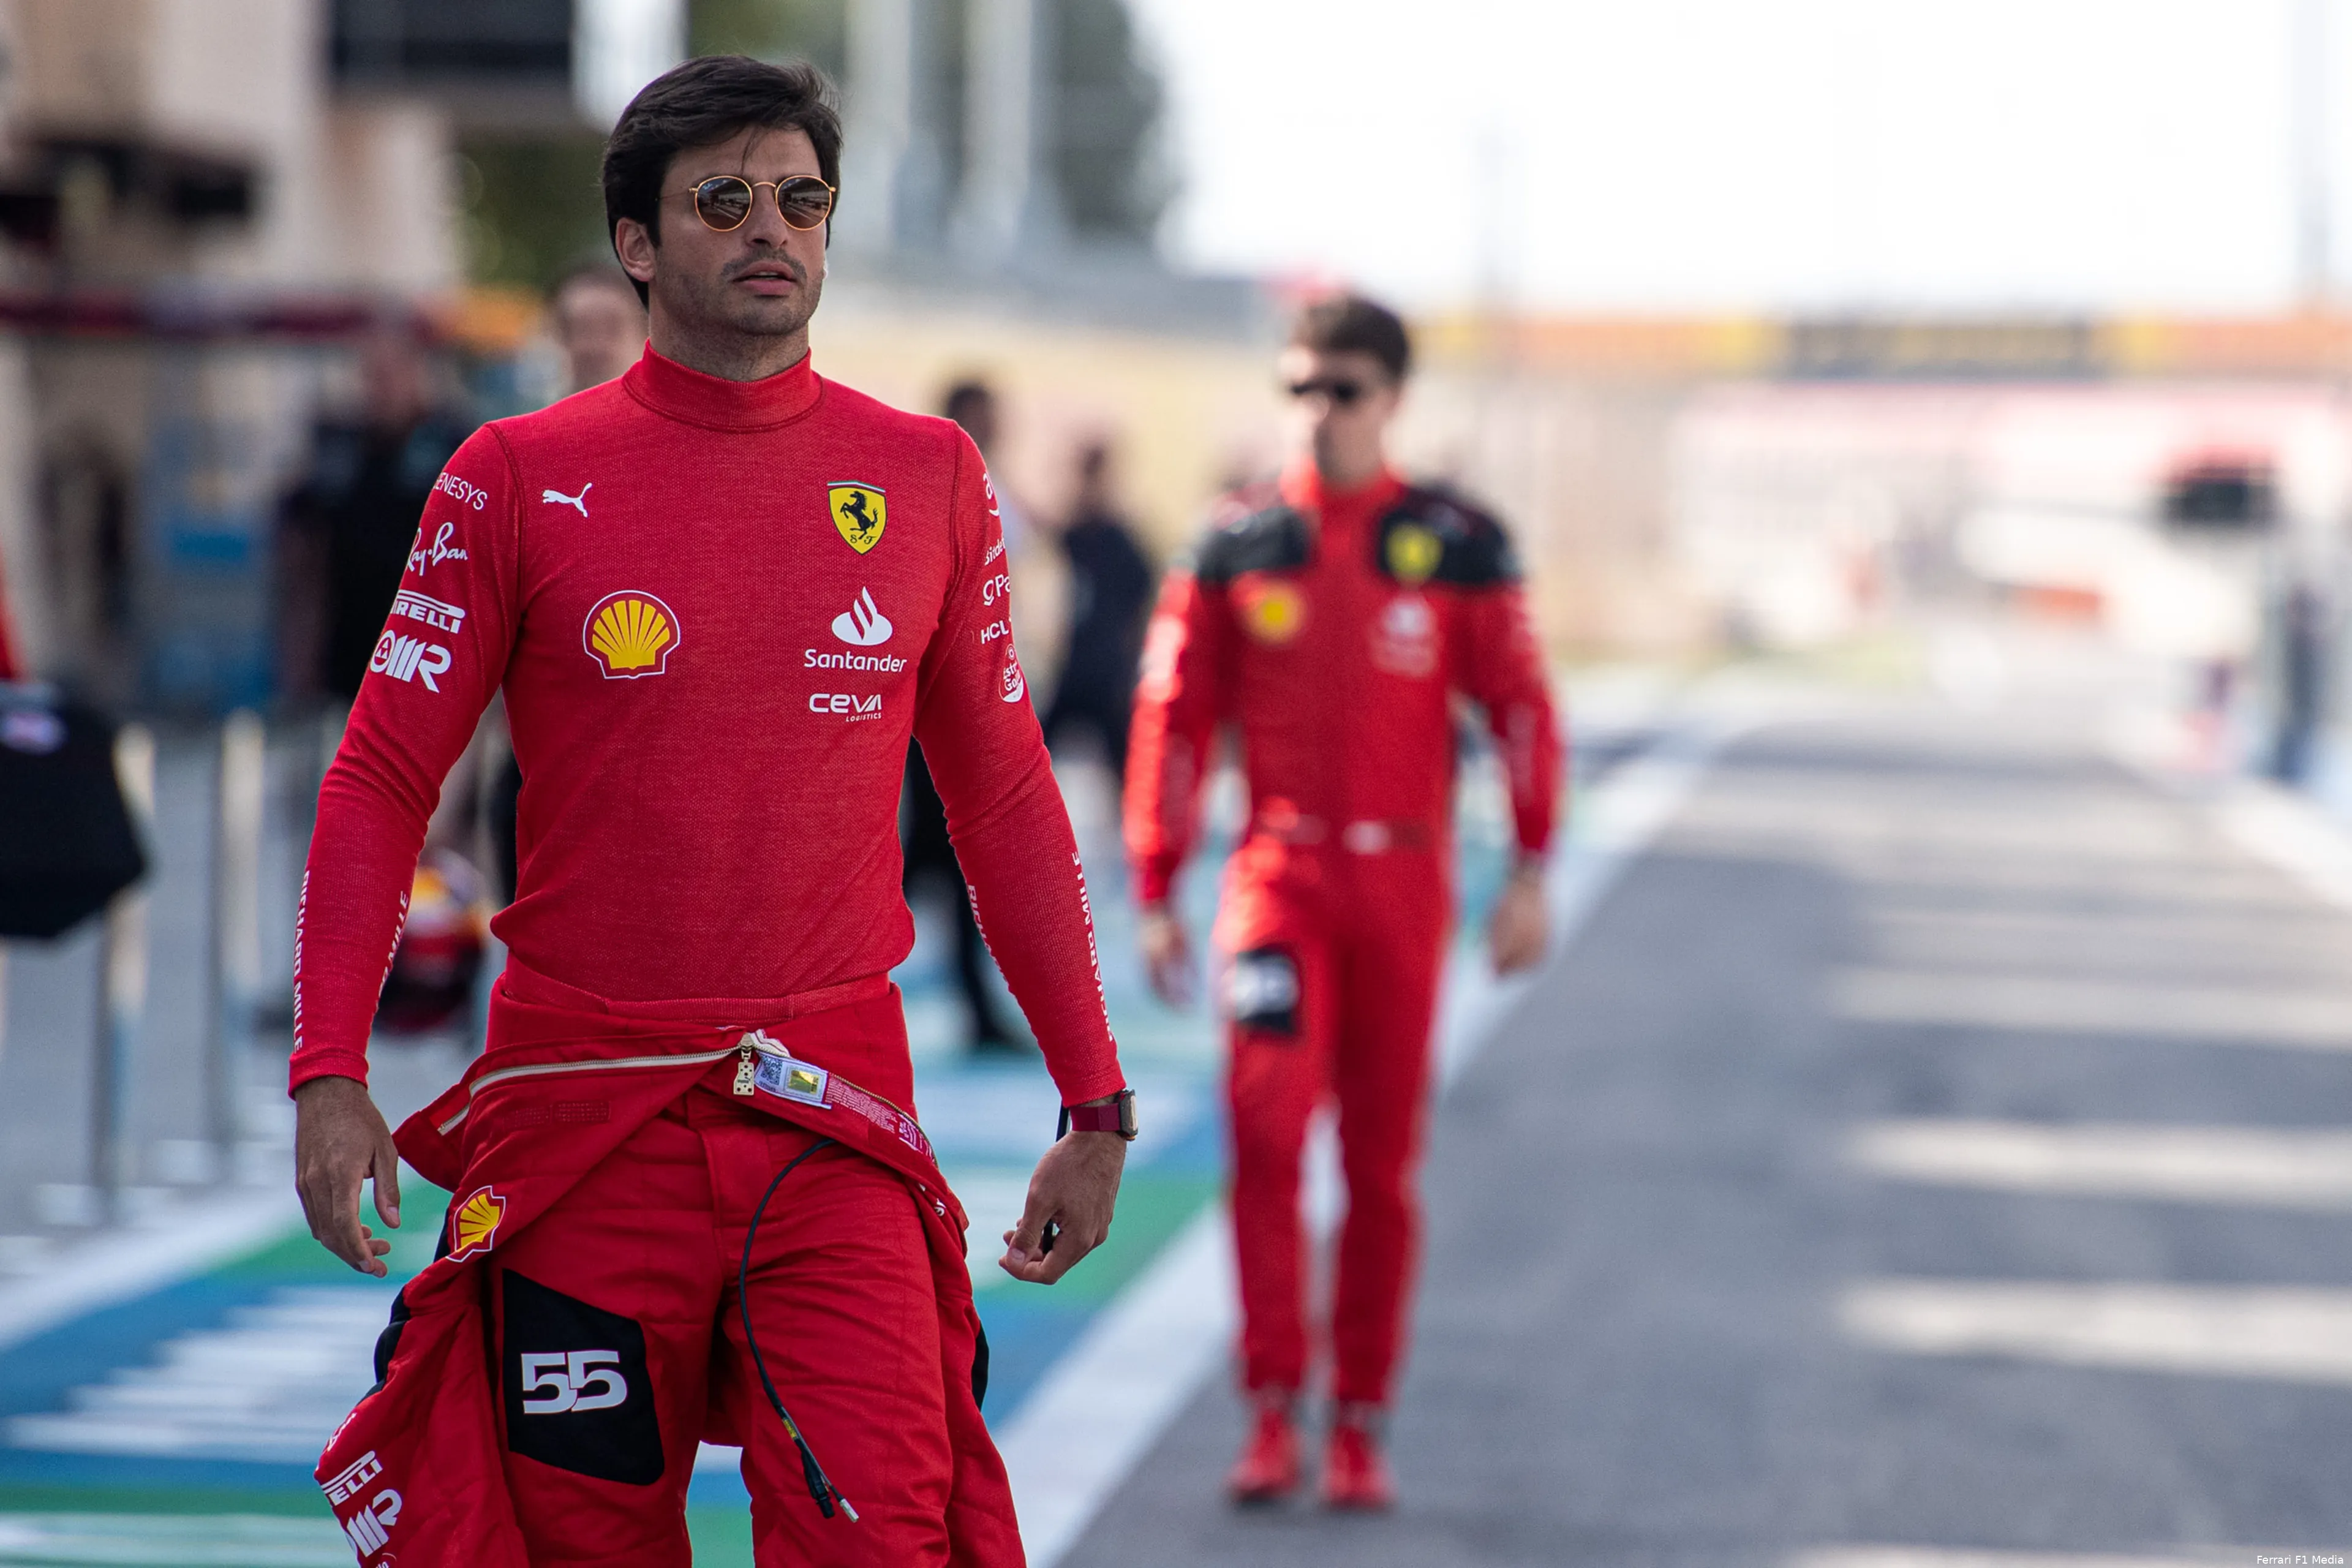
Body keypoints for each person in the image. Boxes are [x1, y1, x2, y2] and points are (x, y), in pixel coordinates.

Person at [292, 56, 1134, 1566]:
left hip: (833, 1126)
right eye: (725, 199)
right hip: (579, 1129)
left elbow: (1005, 796)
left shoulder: (928, 476)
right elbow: (379, 777)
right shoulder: (512, 476)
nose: (772, 230)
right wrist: (329, 1069)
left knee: (885, 1539)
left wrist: (1092, 1097)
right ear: (637, 241)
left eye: (803, 200)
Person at [1124, 293, 1560, 1511]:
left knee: (1381, 1161)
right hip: (1278, 881)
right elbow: (1172, 719)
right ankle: (1273, 1409)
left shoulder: (1457, 541)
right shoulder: (1234, 543)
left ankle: (1361, 1421)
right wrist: (1156, 881)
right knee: (1266, 1133)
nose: (1321, 411)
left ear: (1394, 399)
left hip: (1406, 884)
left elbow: (1522, 707)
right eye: (1302, 388)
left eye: (1346, 390)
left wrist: (1531, 869)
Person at [486, 263, 649, 901]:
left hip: (652, 785)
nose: (593, 344)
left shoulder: (686, 468)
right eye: (577, 328)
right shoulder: (514, 469)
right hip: (540, 780)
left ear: (645, 334)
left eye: (609, 326)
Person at [900, 378, 1023, 1052]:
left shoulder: (1003, 493)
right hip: (936, 710)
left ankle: (978, 1008)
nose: (993, 427)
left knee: (944, 866)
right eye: (982, 416)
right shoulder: (931, 489)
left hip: (984, 702)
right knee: (944, 863)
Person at [277, 324, 473, 702]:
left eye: (393, 374)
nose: (384, 388)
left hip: (425, 639)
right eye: (374, 375)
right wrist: (300, 647)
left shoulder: (450, 442)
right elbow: (301, 540)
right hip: (347, 639)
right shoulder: (339, 445)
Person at [1041, 439, 1155, 782]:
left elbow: (1141, 601)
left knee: (1128, 766)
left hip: (1108, 672)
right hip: (1072, 667)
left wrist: (1132, 661)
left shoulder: (1120, 541)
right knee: (1033, 750)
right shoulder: (1072, 535)